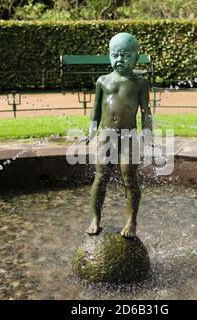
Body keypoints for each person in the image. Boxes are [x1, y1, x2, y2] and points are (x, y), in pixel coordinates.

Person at [78, 32, 153, 238]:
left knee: (130, 178)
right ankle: (95, 217)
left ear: (136, 57)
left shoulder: (140, 83)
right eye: (115, 55)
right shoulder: (103, 81)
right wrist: (91, 132)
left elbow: (146, 111)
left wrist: (148, 135)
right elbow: (95, 110)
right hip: (106, 135)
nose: (120, 59)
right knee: (101, 176)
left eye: (126, 55)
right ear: (109, 55)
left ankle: (131, 221)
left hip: (130, 137)